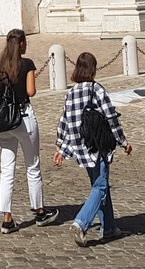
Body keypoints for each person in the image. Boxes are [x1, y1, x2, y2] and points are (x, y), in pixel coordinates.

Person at [54, 51, 131, 246]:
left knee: (100, 184)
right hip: (97, 146)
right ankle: (81, 223)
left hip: (81, 147)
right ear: (93, 69)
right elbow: (111, 117)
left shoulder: (70, 93)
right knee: (101, 186)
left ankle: (109, 227)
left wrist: (61, 149)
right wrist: (123, 142)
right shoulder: (96, 90)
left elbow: (64, 121)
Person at [0, 29, 59, 233]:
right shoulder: (27, 64)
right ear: (21, 45)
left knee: (6, 168)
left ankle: (7, 218)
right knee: (32, 165)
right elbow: (31, 92)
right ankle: (39, 210)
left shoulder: (0, 66)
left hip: (4, 123)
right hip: (23, 117)